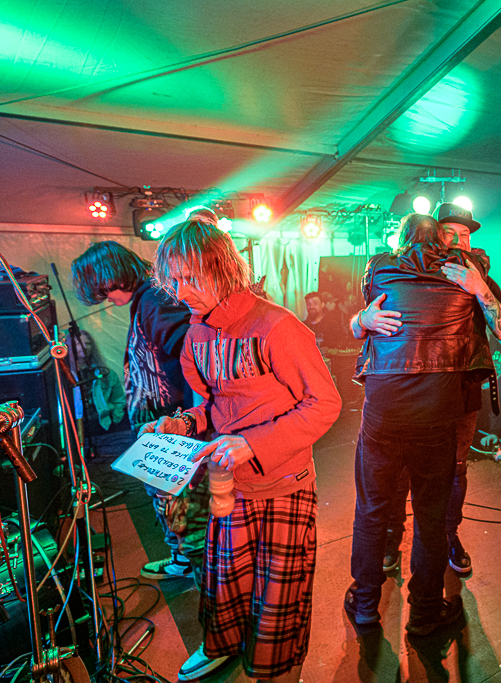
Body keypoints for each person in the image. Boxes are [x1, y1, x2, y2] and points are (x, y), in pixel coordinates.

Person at [142, 218, 341, 683]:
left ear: (223, 269)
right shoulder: (196, 334)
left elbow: (325, 403)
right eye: (173, 280)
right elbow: (214, 405)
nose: (181, 292)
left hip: (284, 485)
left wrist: (252, 443)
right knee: (224, 581)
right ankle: (221, 646)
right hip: (229, 485)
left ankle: (277, 669)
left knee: (278, 597)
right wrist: (183, 422)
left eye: (190, 278)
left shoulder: (278, 327)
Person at [346, 213, 501, 634]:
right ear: (438, 237)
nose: (458, 240)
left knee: (374, 509)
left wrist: (479, 287)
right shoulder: (464, 272)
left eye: (464, 235)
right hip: (437, 409)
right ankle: (423, 610)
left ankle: (366, 603)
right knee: (430, 514)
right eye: (449, 233)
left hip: (398, 409)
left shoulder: (382, 267)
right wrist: (364, 320)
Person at [71, 241, 207, 585]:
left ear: (111, 276)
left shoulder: (154, 299)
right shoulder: (150, 298)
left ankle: (202, 581)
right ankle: (185, 563)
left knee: (179, 509)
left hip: (168, 424)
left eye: (103, 290)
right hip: (165, 422)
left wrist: (189, 418)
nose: (106, 299)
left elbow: (191, 352)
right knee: (173, 504)